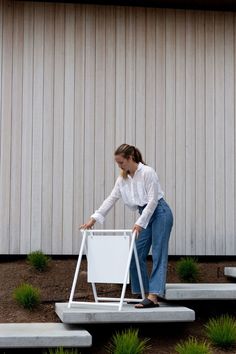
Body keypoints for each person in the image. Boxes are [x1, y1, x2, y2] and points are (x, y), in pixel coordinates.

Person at [80, 143, 173, 308]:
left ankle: (153, 297)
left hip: (160, 213)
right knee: (135, 254)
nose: (119, 166)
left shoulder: (147, 173)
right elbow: (111, 198)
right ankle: (142, 293)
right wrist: (93, 219)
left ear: (130, 158)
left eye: (121, 162)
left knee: (159, 253)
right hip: (144, 214)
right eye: (117, 163)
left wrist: (139, 223)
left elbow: (152, 201)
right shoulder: (122, 179)